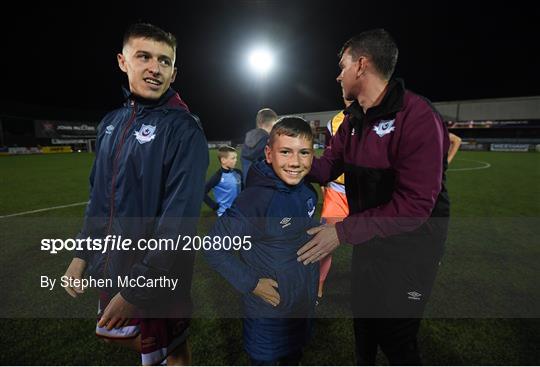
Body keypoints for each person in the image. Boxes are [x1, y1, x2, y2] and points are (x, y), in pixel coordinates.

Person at [297, 29, 450, 365]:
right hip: (370, 240)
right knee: (364, 322)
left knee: (396, 335)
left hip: (413, 248)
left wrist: (341, 231)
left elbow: (415, 207)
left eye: (343, 65)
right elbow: (324, 169)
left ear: (362, 65)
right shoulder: (350, 122)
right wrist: (291, 159)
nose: (338, 75)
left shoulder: (417, 116)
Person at [62, 23, 209, 365]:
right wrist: (81, 254)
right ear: (122, 61)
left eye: (165, 61)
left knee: (167, 351)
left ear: (174, 73)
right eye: (144, 56)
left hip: (156, 271)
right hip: (114, 262)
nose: (155, 68)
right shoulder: (110, 123)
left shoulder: (183, 128)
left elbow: (180, 221)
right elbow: (98, 196)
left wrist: (136, 287)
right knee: (120, 336)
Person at [204, 117, 319, 365]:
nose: (295, 162)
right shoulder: (255, 201)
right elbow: (213, 247)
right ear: (269, 154)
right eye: (285, 152)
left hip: (300, 308)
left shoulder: (308, 191)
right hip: (268, 317)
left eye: (304, 153)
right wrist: (251, 283)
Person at [317, 98, 352, 302]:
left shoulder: (379, 117)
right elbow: (329, 154)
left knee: (375, 243)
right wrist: (324, 181)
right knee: (324, 243)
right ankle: (318, 287)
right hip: (337, 192)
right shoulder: (334, 121)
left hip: (366, 191)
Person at [240, 108, 278, 184]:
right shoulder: (268, 141)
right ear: (274, 123)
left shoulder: (248, 139)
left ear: (258, 122)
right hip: (264, 188)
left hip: (248, 187)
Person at [204, 145, 243, 216]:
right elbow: (202, 192)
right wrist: (214, 206)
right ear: (223, 160)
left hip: (239, 211)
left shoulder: (238, 173)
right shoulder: (217, 177)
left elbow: (243, 189)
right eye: (233, 158)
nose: (236, 160)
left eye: (236, 158)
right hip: (225, 214)